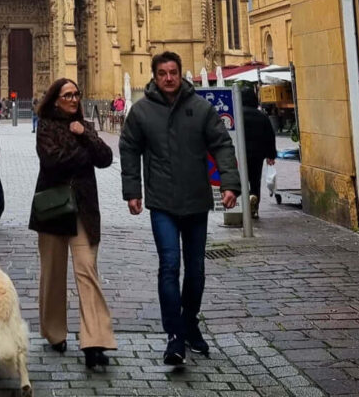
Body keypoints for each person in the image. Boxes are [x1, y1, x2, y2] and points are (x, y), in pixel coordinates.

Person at [119, 51, 240, 366]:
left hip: (197, 200)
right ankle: (174, 335)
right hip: (162, 203)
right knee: (170, 265)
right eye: (163, 73)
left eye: (173, 72)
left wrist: (230, 183)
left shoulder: (200, 109)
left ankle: (190, 322)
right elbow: (129, 148)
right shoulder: (142, 111)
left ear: (180, 74)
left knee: (196, 269)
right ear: (155, 76)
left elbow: (222, 144)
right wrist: (132, 191)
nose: (169, 78)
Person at [29, 78, 115, 370]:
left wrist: (86, 137)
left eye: (77, 94)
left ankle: (95, 341)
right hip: (54, 207)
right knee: (52, 274)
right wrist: (84, 150)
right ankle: (55, 333)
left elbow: (105, 157)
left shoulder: (85, 126)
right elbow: (52, 161)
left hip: (83, 210)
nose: (74, 99)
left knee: (87, 270)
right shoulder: (46, 126)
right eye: (68, 95)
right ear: (56, 99)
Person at [241, 87, 277, 218]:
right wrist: (271, 155)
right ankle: (254, 204)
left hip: (240, 155)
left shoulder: (238, 116)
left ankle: (244, 204)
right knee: (255, 180)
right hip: (257, 155)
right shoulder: (262, 116)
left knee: (241, 180)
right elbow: (270, 136)